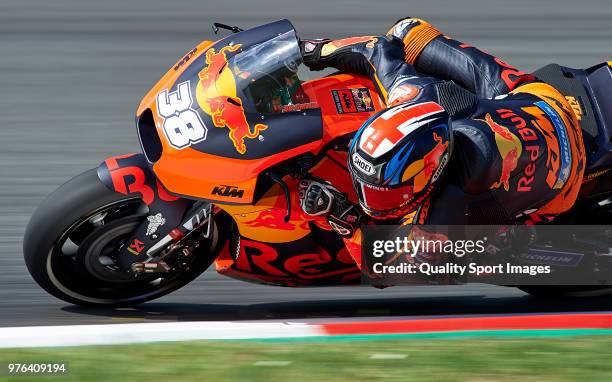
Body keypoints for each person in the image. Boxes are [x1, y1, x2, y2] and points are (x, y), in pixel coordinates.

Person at [298, 17, 586, 268]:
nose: (371, 202)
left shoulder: (444, 214)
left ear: (431, 172)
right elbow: (376, 49)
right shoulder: (417, 96)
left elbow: (386, 267)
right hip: (541, 103)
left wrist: (342, 220)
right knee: (407, 31)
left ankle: (526, 241)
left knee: (479, 254)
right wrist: (312, 52)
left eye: (387, 193)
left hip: (562, 187)